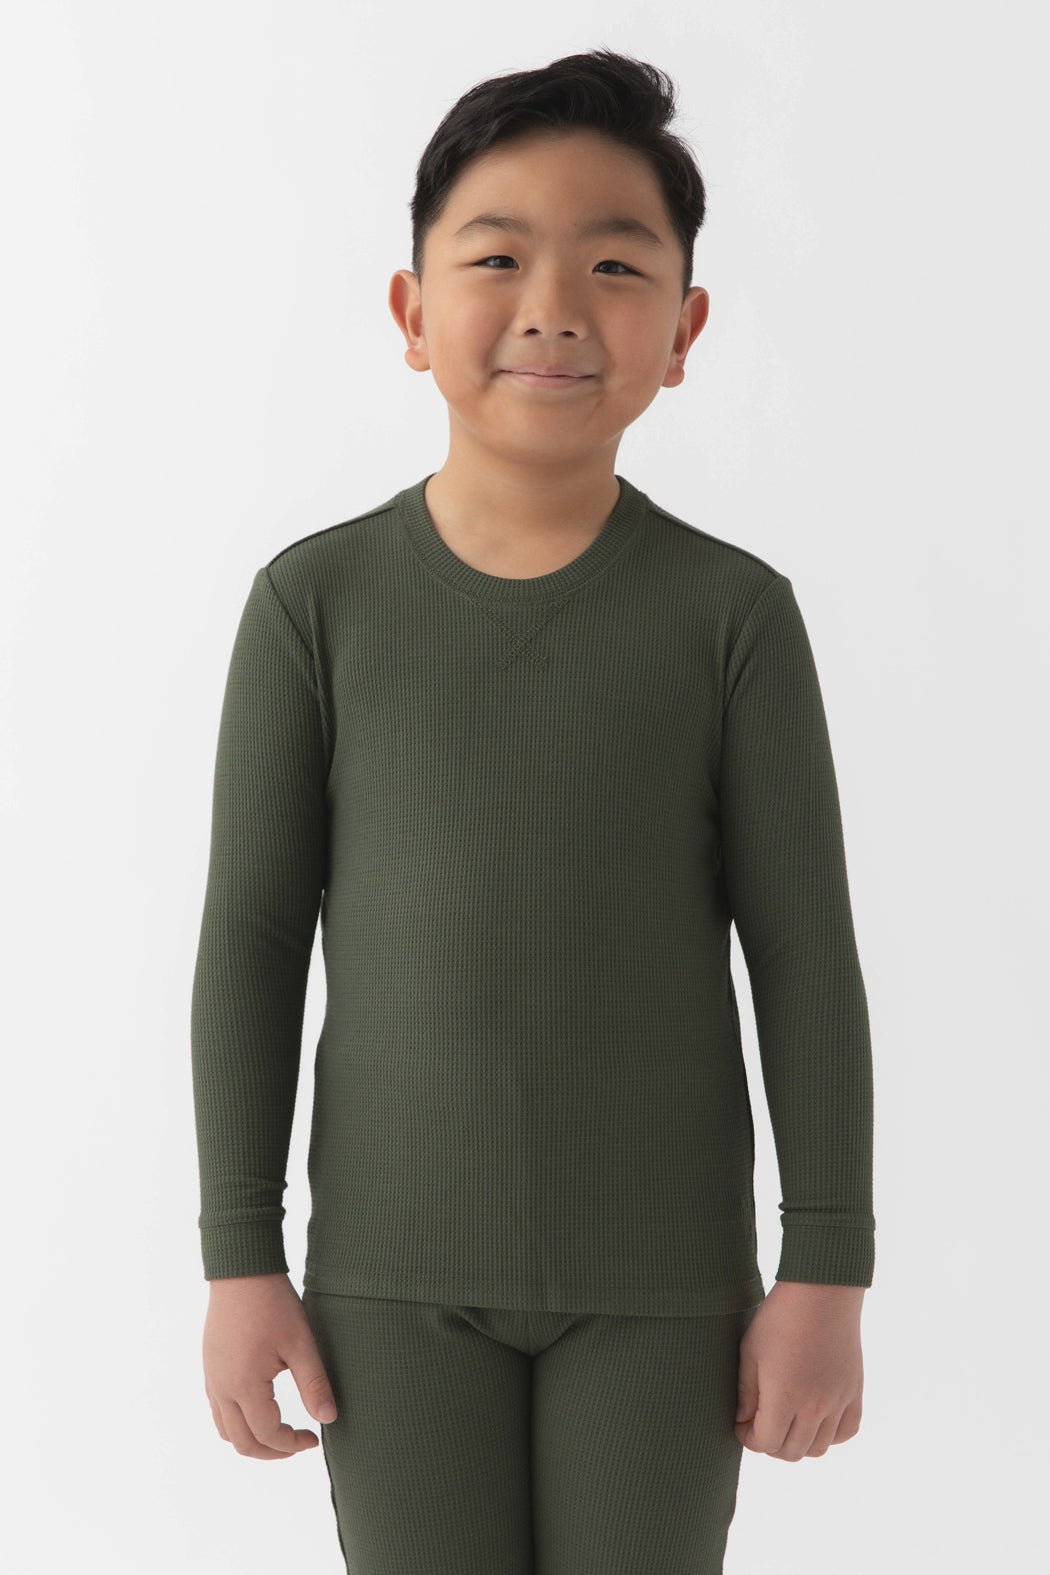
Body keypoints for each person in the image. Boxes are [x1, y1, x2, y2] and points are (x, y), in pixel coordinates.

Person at [191, 46, 876, 1575]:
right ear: (410, 310)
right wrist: (240, 1257)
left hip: (664, 1287)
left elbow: (802, 952)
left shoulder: (729, 617)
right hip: (386, 1284)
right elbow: (252, 937)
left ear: (682, 330)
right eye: (497, 257)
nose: (555, 305)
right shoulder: (314, 606)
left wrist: (825, 1265)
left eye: (615, 265)